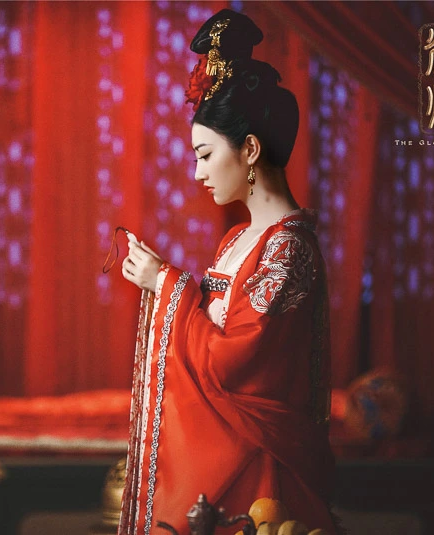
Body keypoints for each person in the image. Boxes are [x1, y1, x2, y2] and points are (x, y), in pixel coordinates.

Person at [118, 9, 337, 535]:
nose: (197, 173)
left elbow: (229, 363)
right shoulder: (238, 239)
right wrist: (167, 284)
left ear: (251, 149)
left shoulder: (288, 250)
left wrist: (165, 283)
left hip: (259, 463)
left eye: (205, 154)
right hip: (225, 450)